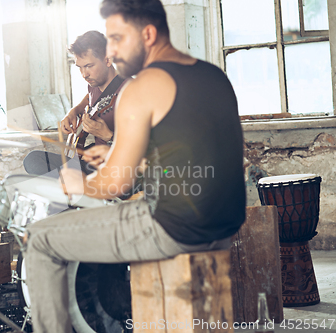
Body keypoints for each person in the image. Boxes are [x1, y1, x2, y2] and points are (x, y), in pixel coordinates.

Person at [22, 0, 246, 332]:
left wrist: (77, 182)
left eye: (117, 39)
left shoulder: (142, 86)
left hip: (172, 228)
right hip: (223, 226)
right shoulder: (213, 76)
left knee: (39, 238)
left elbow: (114, 184)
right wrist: (133, 159)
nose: (110, 51)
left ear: (149, 34)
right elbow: (193, 161)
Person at [23, 30, 126, 178]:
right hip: (90, 161)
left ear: (108, 60)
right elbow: (89, 99)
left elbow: (149, 147)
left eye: (89, 66)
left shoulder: (130, 91)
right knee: (33, 160)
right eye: (80, 67)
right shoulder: (94, 84)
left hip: (117, 168)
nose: (84, 74)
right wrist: (74, 111)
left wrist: (109, 136)